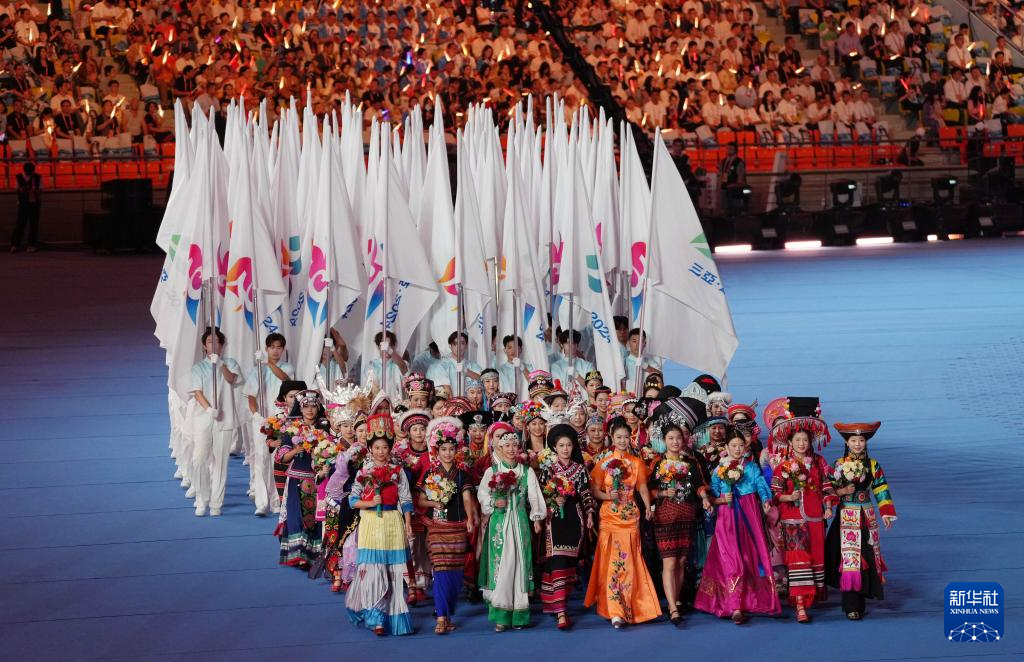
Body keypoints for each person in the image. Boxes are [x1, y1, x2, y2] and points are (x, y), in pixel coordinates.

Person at [695, 428, 780, 624]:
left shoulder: (751, 467)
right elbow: (713, 494)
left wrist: (765, 500)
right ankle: (734, 606)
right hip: (727, 518)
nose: (737, 449)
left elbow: (761, 485)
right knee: (732, 560)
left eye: (741, 445)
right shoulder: (719, 469)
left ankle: (748, 601)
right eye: (733, 445)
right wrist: (721, 499)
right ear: (726, 447)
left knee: (749, 557)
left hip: (749, 516)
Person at [585, 417, 661, 629]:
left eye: (626, 437)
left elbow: (642, 487)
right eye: (618, 437)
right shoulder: (604, 463)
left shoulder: (636, 463)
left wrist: (648, 507)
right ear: (611, 438)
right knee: (611, 563)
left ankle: (630, 605)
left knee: (629, 562)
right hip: (609, 518)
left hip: (630, 517)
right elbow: (595, 490)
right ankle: (615, 610)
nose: (622, 440)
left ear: (630, 438)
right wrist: (608, 496)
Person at [345, 412, 415, 636]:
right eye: (376, 447)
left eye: (385, 447)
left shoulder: (398, 472)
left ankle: (393, 614)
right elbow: (352, 500)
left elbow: (406, 499)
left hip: (393, 522)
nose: (381, 451)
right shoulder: (363, 472)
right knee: (373, 571)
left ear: (390, 448)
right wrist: (369, 503)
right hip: (371, 523)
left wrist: (408, 522)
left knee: (393, 571)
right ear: (370, 449)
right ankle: (376, 618)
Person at [477, 427, 547, 631]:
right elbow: (482, 494)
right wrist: (493, 503)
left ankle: (519, 615)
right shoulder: (492, 471)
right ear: (498, 447)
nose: (510, 449)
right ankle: (501, 615)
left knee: (520, 565)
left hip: (520, 522)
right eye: (506, 445)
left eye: (514, 445)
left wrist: (537, 517)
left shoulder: (526, 471)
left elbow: (534, 496)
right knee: (503, 566)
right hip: (499, 525)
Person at [826, 421, 897, 621]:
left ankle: (863, 596)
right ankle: (851, 606)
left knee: (866, 557)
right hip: (846, 516)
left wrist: (886, 513)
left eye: (861, 440)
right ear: (846, 443)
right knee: (849, 560)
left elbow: (881, 488)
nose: (857, 444)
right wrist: (841, 491)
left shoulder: (873, 465)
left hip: (866, 516)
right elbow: (827, 489)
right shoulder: (838, 465)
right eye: (853, 440)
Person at [649, 418, 713, 626]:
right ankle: (672, 607)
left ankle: (675, 599)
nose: (675, 442)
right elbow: (649, 490)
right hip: (665, 516)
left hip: (687, 515)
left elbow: (700, 485)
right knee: (669, 562)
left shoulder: (691, 463)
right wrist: (662, 493)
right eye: (671, 438)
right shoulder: (657, 463)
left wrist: (704, 498)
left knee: (681, 562)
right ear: (664, 441)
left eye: (678, 438)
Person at [417, 418, 476, 635]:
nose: (448, 453)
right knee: (440, 572)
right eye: (444, 449)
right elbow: (421, 501)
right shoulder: (430, 474)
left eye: (451, 449)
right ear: (437, 450)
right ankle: (441, 616)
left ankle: (447, 613)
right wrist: (435, 503)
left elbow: (468, 498)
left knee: (455, 574)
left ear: (456, 450)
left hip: (458, 527)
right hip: (437, 527)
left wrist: (470, 519)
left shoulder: (462, 474)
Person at [538, 424, 595, 630]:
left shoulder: (580, 469)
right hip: (553, 521)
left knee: (569, 563)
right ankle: (561, 611)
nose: (565, 449)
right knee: (557, 561)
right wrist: (553, 499)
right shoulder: (547, 470)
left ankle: (559, 604)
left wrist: (590, 514)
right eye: (561, 445)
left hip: (574, 520)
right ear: (554, 447)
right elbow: (539, 495)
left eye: (568, 445)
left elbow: (586, 493)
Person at [189, 326, 242, 517]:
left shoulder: (230, 363)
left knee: (221, 463)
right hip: (204, 417)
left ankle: (216, 503)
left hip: (225, 419)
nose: (214, 345)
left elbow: (232, 379)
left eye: (218, 342)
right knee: (199, 458)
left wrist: (220, 364)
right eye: (210, 342)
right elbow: (197, 392)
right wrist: (210, 410)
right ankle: (201, 498)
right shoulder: (198, 368)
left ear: (222, 345)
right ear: (204, 346)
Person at [275, 390, 328, 567]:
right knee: (296, 516)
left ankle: (314, 554)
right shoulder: (292, 429)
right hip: (296, 478)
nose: (310, 410)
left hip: (319, 479)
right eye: (306, 406)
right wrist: (296, 450)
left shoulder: (325, 428)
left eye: (314, 406)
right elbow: (281, 456)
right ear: (301, 408)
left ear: (318, 408)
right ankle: (299, 555)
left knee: (316, 517)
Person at [244, 332, 293, 516]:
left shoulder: (287, 367)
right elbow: (251, 396)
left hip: (280, 421)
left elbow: (286, 380)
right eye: (272, 347)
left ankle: (275, 501)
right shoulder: (257, 370)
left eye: (279, 347)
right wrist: (257, 415)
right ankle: (262, 503)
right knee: (261, 460)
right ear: (266, 349)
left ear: (283, 349)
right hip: (261, 421)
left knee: (276, 461)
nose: (275, 351)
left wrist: (267, 363)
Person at [11, 162, 41, 253]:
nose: (29, 174)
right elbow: (16, 189)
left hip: (34, 204)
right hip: (23, 203)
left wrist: (35, 190)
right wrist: (22, 190)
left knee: (33, 225)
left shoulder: (37, 177)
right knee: (20, 224)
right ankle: (15, 245)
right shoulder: (19, 177)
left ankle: (31, 245)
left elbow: (41, 190)